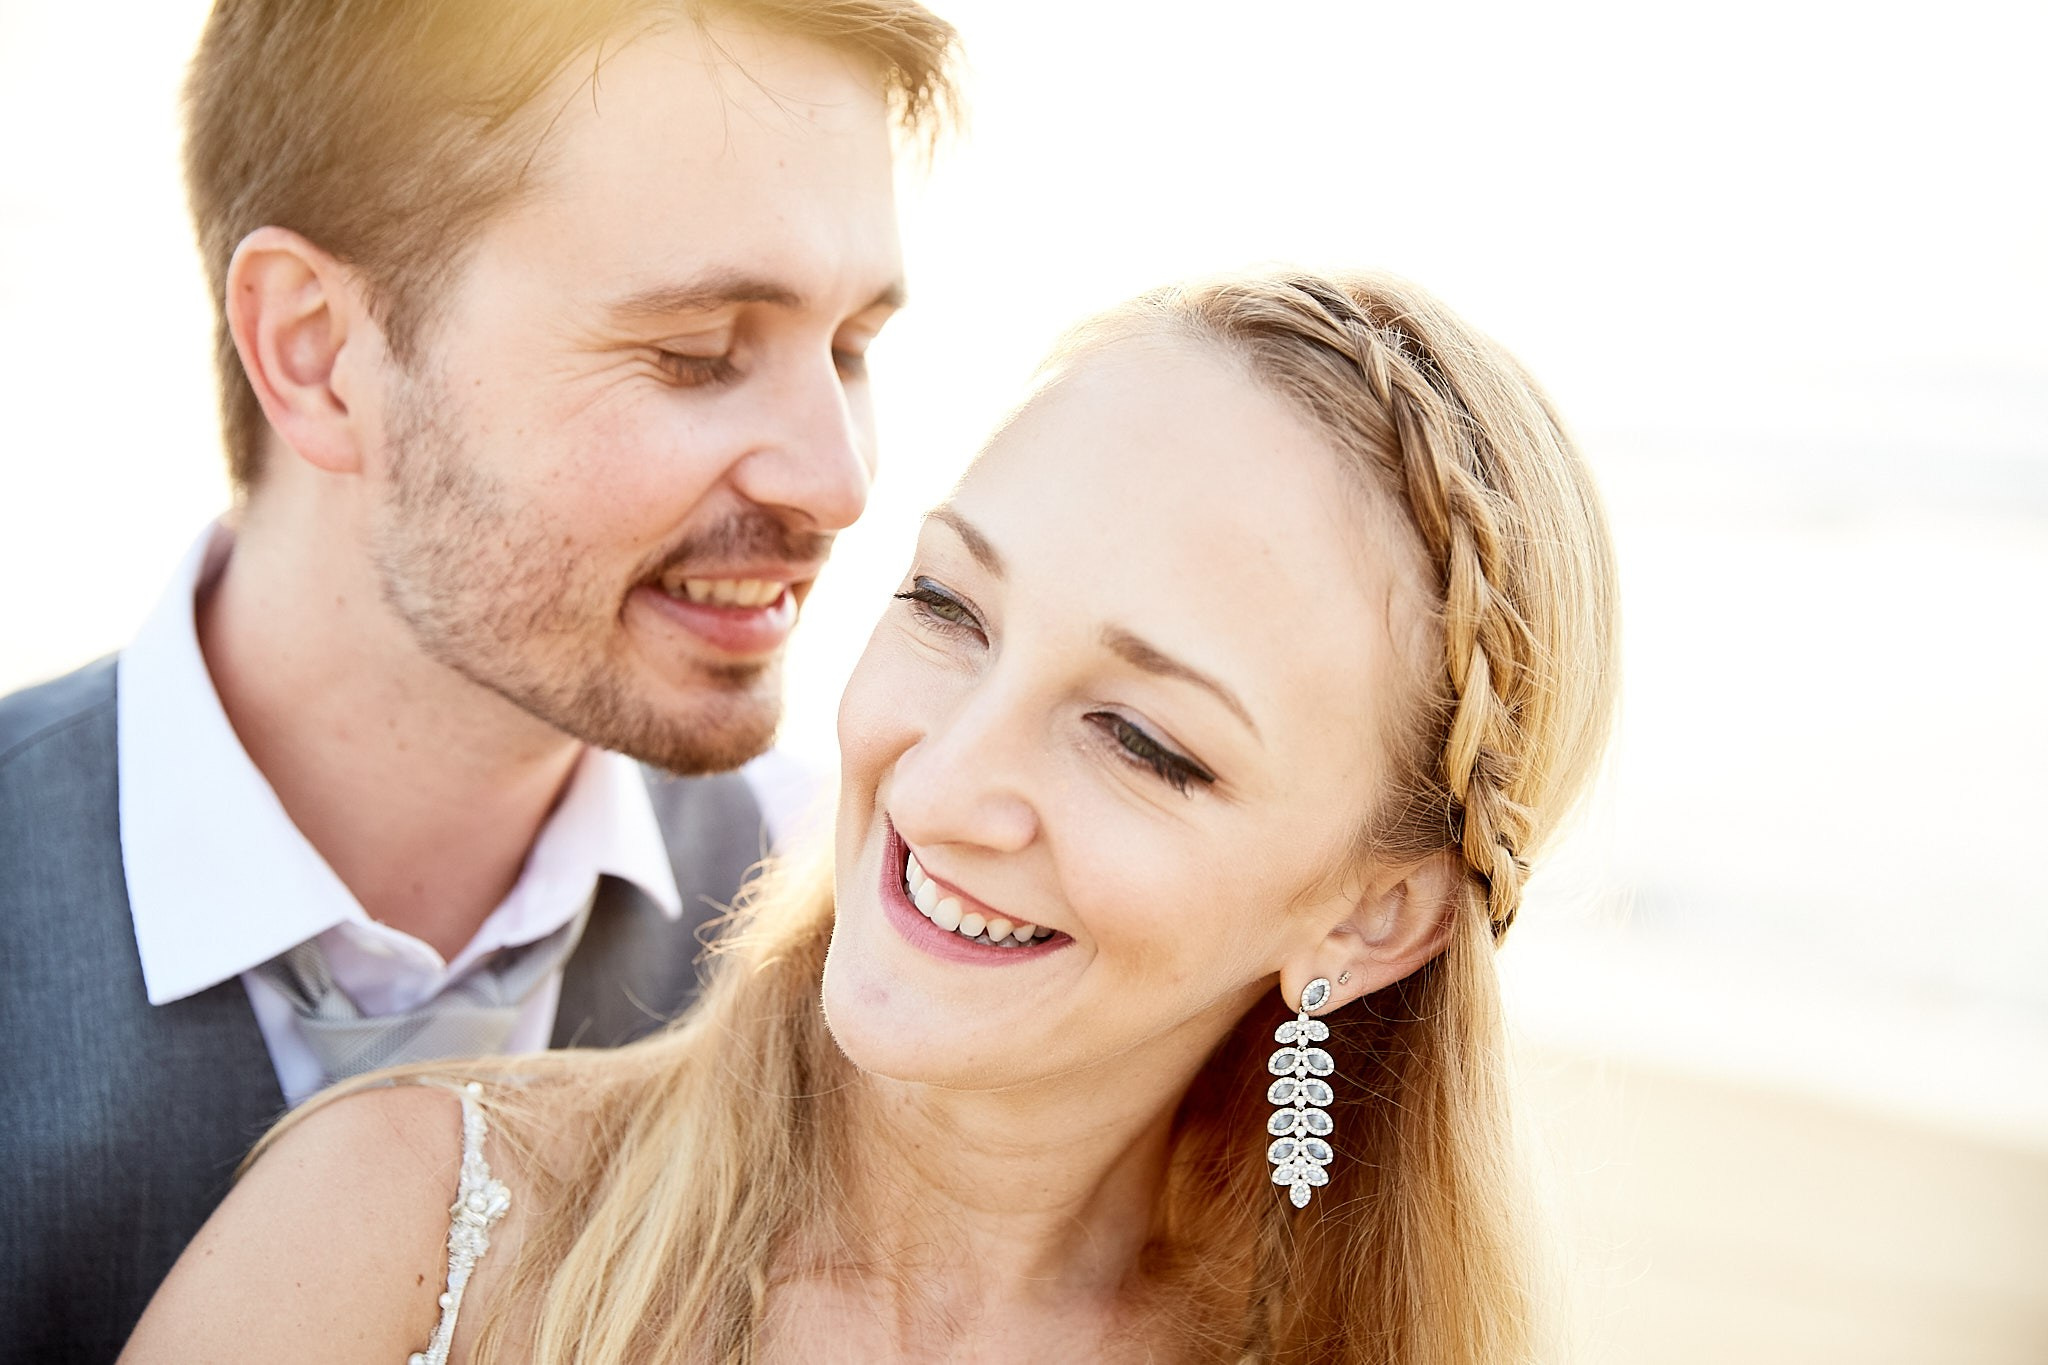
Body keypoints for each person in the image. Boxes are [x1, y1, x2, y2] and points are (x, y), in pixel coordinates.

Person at [122, 269, 1620, 1364]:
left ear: (1371, 915)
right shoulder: (390, 1241)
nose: (945, 778)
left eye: (1144, 741)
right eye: (947, 606)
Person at [0, 2, 958, 1360]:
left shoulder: (864, 934)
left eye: (850, 346)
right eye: (695, 351)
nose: (839, 481)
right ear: (317, 351)